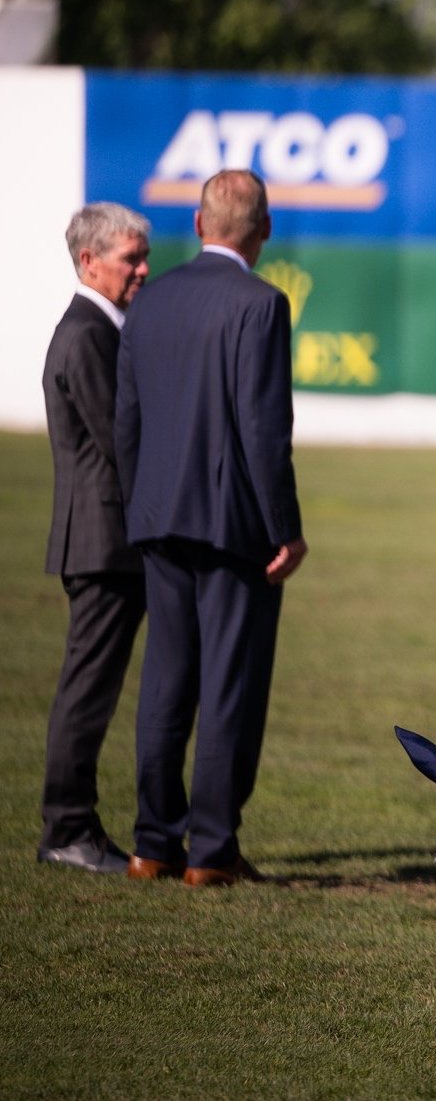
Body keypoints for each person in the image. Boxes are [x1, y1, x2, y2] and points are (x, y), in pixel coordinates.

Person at [116, 169, 307, 886]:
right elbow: (265, 431)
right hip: (234, 529)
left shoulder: (150, 296)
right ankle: (211, 849)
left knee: (165, 680)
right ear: (263, 230)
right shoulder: (263, 303)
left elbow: (125, 420)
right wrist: (284, 527)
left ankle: (150, 843)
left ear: (198, 225)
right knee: (227, 684)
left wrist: (141, 505)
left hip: (159, 519)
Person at [38, 203, 152, 874]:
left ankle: (72, 825)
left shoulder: (103, 328)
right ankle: (67, 828)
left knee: (93, 688)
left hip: (107, 542)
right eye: (130, 259)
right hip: (102, 544)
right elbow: (121, 444)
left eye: (142, 255)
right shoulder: (86, 333)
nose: (143, 269)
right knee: (86, 691)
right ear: (90, 261)